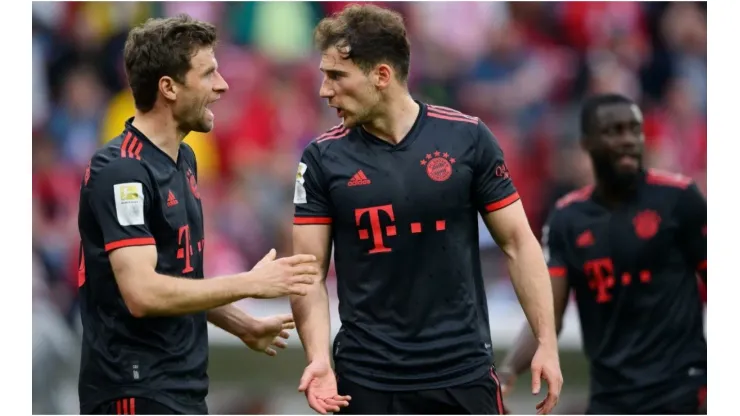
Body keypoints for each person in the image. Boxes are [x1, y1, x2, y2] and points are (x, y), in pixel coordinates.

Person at [289, 4, 562, 415]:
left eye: (336, 76)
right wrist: (319, 358)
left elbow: (519, 243)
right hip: (366, 378)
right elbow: (308, 272)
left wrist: (546, 343)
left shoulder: (467, 138)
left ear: (381, 76)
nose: (325, 90)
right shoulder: (321, 159)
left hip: (462, 373)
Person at [76, 15, 319, 415]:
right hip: (132, 391)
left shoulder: (183, 158)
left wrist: (241, 324)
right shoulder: (122, 171)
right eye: (208, 74)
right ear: (168, 87)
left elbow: (178, 279)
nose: (222, 86)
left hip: (180, 387)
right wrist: (248, 283)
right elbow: (143, 293)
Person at [497, 93, 707, 414]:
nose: (627, 140)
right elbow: (547, 315)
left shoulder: (679, 199)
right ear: (587, 143)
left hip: (683, 390)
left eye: (634, 129)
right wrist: (509, 369)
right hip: (611, 397)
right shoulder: (567, 218)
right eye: (614, 131)